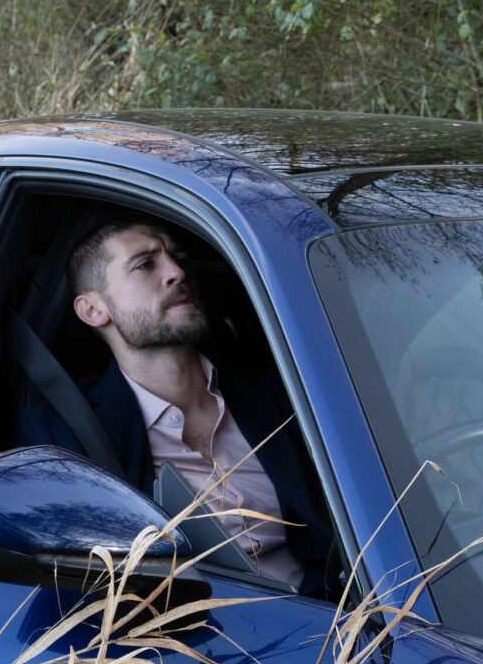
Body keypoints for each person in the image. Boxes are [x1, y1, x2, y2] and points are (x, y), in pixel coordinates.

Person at [65, 213, 333, 594]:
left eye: (180, 258)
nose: (176, 272)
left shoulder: (279, 393)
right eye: (145, 264)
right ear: (93, 309)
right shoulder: (72, 435)